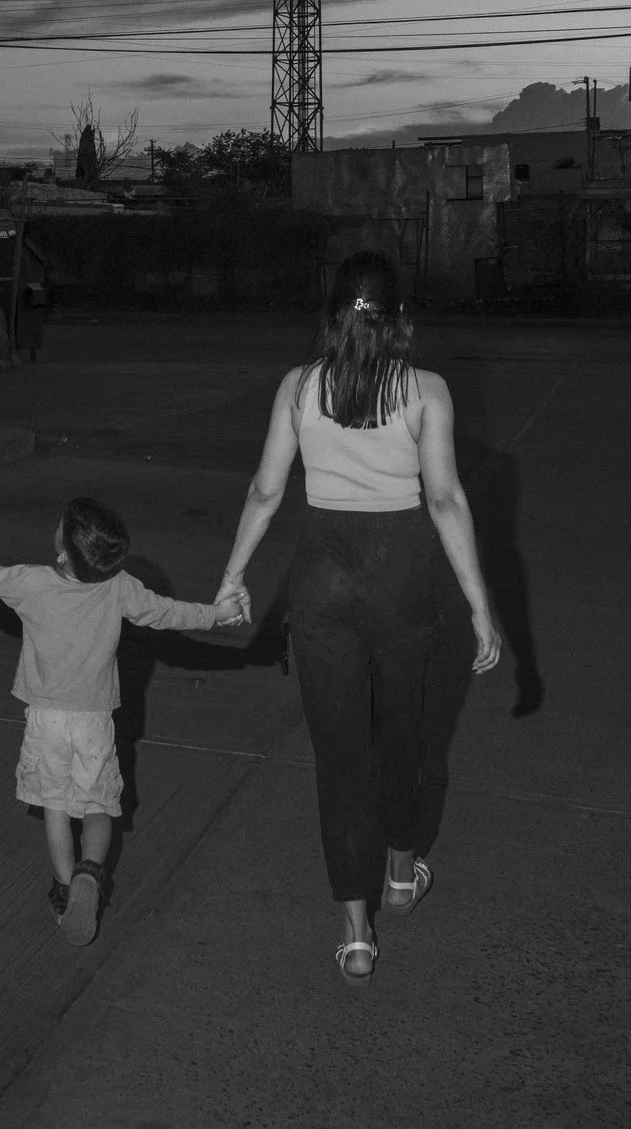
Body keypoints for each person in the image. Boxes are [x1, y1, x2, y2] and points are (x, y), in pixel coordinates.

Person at [216, 251, 500, 987]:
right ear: (401, 318)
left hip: (322, 574)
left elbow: (266, 487)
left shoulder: (298, 386)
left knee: (340, 757)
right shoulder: (425, 390)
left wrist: (232, 573)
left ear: (331, 315)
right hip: (401, 571)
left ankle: (356, 934)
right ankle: (402, 874)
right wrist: (479, 604)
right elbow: (444, 501)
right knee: (404, 735)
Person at [0, 498, 248, 945]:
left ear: (63, 549)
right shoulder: (119, 586)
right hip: (94, 720)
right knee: (99, 807)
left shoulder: (32, 583)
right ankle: (90, 874)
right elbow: (166, 612)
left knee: (56, 809)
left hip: (46, 720)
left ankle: (64, 892)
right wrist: (217, 614)